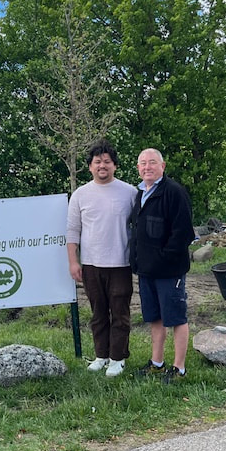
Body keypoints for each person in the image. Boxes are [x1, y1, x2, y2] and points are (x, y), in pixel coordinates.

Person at [66, 140, 137, 377]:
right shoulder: (80, 194)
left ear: (115, 165)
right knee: (98, 314)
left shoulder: (130, 192)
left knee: (120, 313)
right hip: (91, 264)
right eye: (97, 162)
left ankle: (118, 358)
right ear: (90, 167)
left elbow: (139, 227)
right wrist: (73, 261)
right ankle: (101, 355)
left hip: (120, 263)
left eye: (107, 161)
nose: (102, 166)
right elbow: (72, 230)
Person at [130, 148, 195, 383]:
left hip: (169, 271)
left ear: (163, 166)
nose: (147, 167)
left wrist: (165, 258)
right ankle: (157, 363)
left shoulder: (174, 192)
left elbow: (183, 233)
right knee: (154, 317)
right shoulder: (140, 193)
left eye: (152, 162)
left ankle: (179, 369)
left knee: (176, 318)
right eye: (143, 163)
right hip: (146, 270)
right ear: (138, 168)